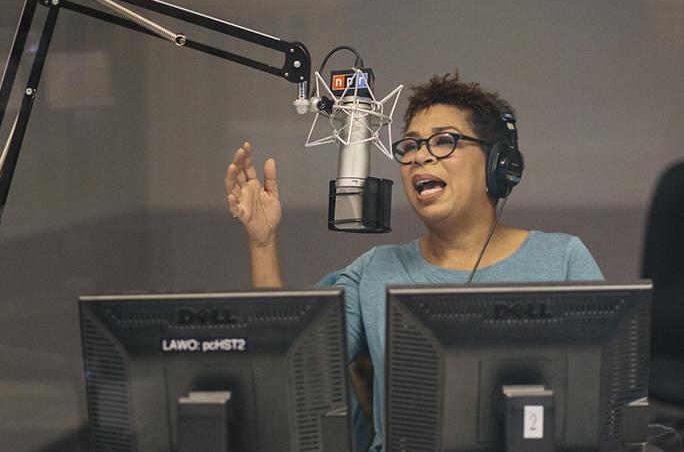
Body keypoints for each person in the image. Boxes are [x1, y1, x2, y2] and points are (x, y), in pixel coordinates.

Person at [224, 72, 604, 452]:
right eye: (409, 146)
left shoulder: (563, 259)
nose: (419, 156)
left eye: (443, 141)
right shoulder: (375, 270)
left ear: (498, 164)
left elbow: (601, 406)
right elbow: (288, 364)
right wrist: (263, 242)